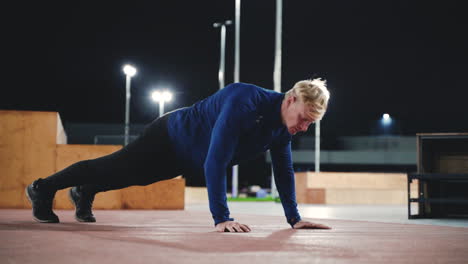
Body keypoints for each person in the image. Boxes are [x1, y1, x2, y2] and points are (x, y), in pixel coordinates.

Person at [26, 79, 331, 232]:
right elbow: (217, 159)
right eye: (304, 118)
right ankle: (43, 188)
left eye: (310, 123)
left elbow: (284, 170)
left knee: (136, 177)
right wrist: (221, 217)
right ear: (291, 99)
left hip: (186, 156)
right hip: (170, 134)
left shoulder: (282, 130)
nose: (304, 127)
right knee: (116, 165)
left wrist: (295, 219)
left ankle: (84, 190)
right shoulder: (244, 100)